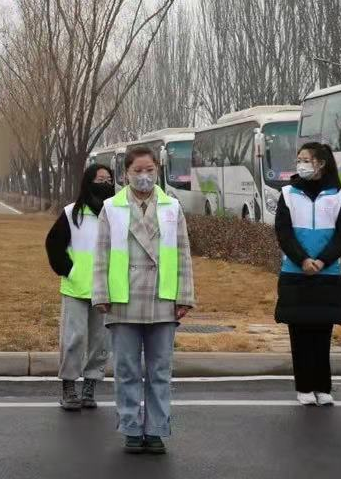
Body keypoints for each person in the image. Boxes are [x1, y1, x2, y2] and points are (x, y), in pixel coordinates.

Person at [92, 147, 195, 455]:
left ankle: (156, 429)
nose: (144, 176)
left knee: (160, 370)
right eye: (137, 170)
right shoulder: (112, 208)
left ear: (157, 170)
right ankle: (131, 427)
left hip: (162, 298)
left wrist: (184, 295)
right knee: (126, 369)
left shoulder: (172, 207)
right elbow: (101, 254)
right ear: (126, 173)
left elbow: (183, 254)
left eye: (149, 170)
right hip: (122, 299)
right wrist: (101, 293)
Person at [274, 142, 341, 406]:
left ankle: (323, 386)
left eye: (306, 160)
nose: (301, 164)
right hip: (295, 273)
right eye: (299, 160)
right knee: (299, 333)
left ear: (321, 163)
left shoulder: (339, 195)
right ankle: (304, 387)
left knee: (322, 332)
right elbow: (283, 232)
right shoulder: (288, 194)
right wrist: (303, 259)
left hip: (327, 274)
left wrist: (321, 261)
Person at [45, 163, 114, 411]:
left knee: (100, 342)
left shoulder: (116, 214)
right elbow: (53, 245)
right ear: (87, 182)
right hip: (76, 288)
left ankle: (90, 387)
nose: (105, 184)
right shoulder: (71, 213)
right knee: (74, 338)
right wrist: (70, 271)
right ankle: (69, 386)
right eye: (100, 180)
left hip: (106, 290)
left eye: (109, 180)